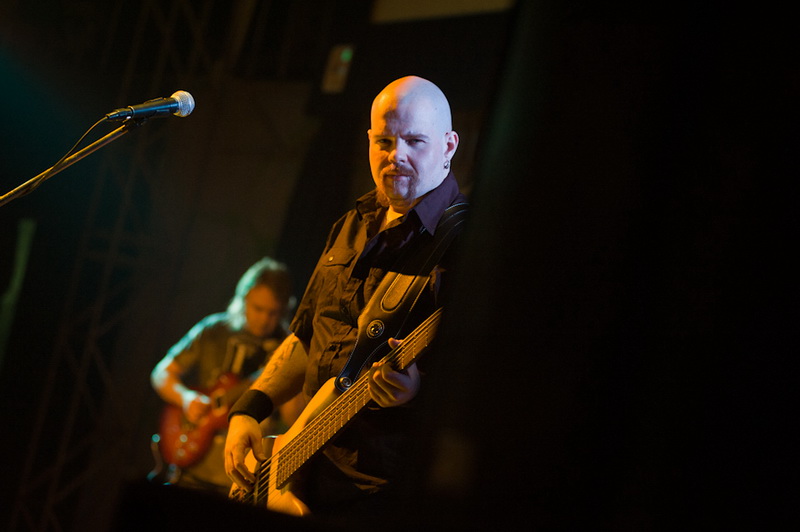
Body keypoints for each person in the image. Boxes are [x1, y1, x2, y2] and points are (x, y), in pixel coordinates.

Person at [224, 75, 466, 521]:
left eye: (414, 141)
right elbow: (308, 335)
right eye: (384, 141)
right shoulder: (351, 225)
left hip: (378, 495)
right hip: (301, 468)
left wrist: (416, 391)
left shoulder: (466, 248)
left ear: (449, 146)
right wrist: (249, 408)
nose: (396, 155)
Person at [150, 257, 305, 495]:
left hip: (245, 477)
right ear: (243, 299)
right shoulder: (214, 329)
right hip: (192, 467)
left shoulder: (289, 347)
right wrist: (186, 399)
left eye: (273, 313)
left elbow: (292, 416)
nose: (264, 319)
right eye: (258, 309)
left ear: (285, 310)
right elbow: (162, 373)